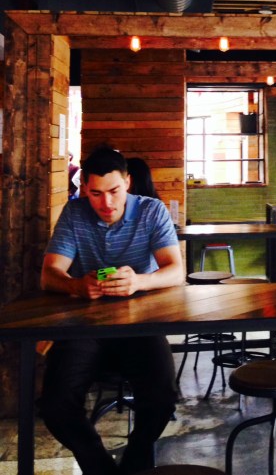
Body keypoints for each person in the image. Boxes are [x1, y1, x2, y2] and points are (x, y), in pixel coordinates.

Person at [39, 145, 184, 475]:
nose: (105, 203)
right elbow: (49, 274)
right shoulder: (75, 213)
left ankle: (135, 457)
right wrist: (76, 285)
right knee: (55, 402)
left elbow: (175, 271)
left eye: (114, 191)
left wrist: (139, 282)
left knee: (162, 397)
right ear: (85, 189)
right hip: (86, 322)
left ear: (128, 182)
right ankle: (100, 466)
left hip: (140, 321)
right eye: (95, 194)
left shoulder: (151, 210)